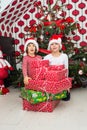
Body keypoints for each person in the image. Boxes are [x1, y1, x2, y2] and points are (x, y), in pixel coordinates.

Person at [44, 34, 70, 101]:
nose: (54, 45)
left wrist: (66, 85)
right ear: (50, 47)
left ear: (59, 46)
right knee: (49, 98)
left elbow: (66, 70)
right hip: (51, 81)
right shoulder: (46, 58)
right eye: (52, 44)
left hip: (61, 81)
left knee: (66, 98)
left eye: (56, 44)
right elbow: (45, 72)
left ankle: (62, 91)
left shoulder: (64, 56)